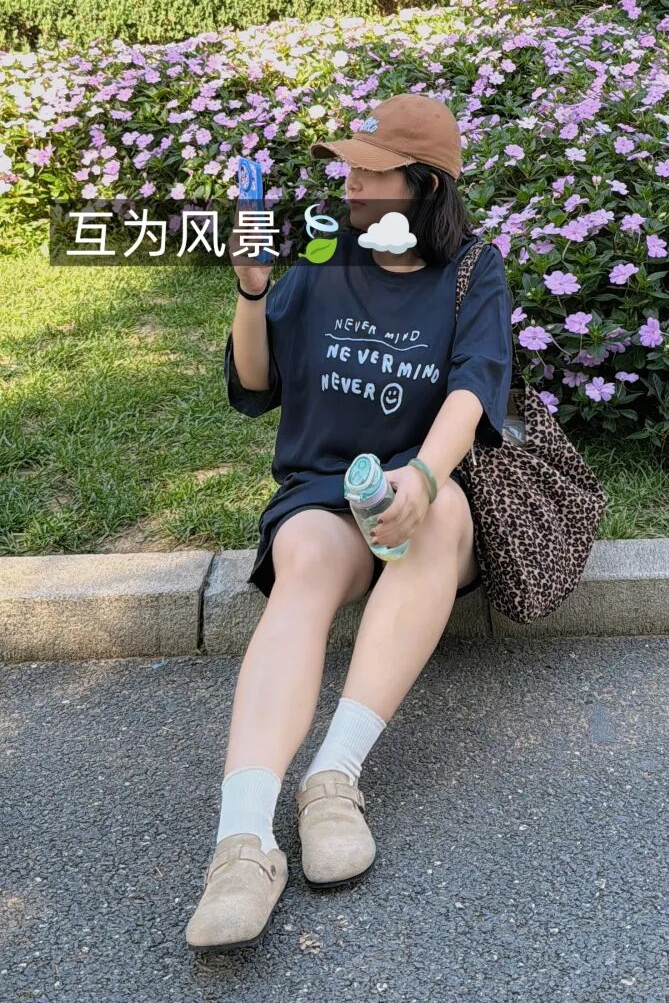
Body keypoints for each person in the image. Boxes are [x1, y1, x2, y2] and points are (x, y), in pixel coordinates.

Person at [185, 93, 513, 953]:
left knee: (438, 520)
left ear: (424, 187)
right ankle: (242, 842)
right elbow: (257, 382)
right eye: (349, 168)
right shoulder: (324, 251)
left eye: (371, 172)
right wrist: (251, 288)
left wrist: (424, 477)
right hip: (322, 489)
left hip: (416, 484)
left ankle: (332, 780)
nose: (351, 184)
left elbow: (473, 392)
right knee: (305, 560)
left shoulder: (472, 269)